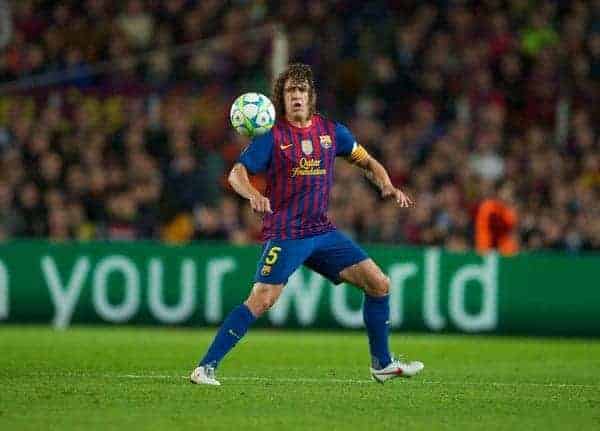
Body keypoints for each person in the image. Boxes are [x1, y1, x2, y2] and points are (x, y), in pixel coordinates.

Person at [190, 63, 424, 386]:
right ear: (281, 99)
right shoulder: (271, 136)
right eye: (290, 91)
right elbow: (236, 174)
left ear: (311, 96)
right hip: (287, 234)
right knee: (262, 299)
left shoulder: (332, 132)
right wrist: (252, 194)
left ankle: (382, 363)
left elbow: (367, 161)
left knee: (379, 284)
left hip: (322, 231)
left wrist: (386, 184)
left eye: (301, 90)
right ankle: (205, 367)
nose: (296, 96)